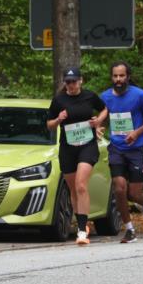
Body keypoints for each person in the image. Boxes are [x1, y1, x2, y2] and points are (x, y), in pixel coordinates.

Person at [99, 61, 143, 243]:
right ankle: (129, 229)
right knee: (119, 188)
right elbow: (103, 117)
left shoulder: (139, 95)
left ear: (128, 77)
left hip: (137, 148)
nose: (118, 79)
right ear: (111, 77)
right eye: (115, 76)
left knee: (134, 194)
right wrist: (99, 127)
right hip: (117, 148)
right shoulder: (105, 97)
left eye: (122, 75)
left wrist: (136, 133)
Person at [46, 68, 108, 246]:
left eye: (74, 81)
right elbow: (49, 125)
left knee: (81, 185)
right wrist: (58, 119)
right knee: (73, 189)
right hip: (68, 147)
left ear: (81, 81)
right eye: (68, 82)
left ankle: (81, 231)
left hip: (87, 145)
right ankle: (83, 223)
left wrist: (98, 121)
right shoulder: (59, 100)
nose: (71, 85)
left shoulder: (89, 96)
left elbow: (105, 109)